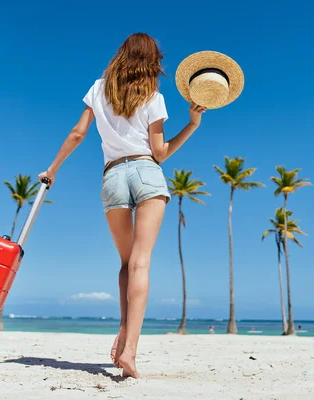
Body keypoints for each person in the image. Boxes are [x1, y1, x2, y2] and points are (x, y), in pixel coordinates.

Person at [38, 33, 206, 378]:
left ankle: (123, 329)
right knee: (141, 264)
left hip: (113, 177)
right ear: (153, 61)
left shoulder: (99, 89)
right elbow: (160, 153)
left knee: (126, 262)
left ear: (121, 55)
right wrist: (191, 124)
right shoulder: (154, 97)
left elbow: (77, 134)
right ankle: (129, 350)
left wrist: (52, 169)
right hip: (146, 172)